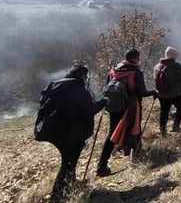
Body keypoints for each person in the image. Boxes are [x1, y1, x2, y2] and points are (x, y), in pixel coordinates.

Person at [50, 65, 107, 201]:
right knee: (68, 164)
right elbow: (89, 110)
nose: (86, 78)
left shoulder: (60, 87)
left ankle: (70, 186)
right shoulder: (78, 90)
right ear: (82, 76)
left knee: (69, 162)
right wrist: (103, 101)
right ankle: (57, 196)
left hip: (58, 132)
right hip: (71, 134)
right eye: (85, 76)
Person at [97, 49, 158, 177]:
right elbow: (141, 92)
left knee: (112, 134)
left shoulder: (113, 71)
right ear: (136, 59)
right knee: (135, 129)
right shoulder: (136, 73)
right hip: (131, 107)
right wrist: (153, 92)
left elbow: (108, 86)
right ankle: (136, 156)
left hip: (114, 106)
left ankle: (101, 166)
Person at [154, 47, 181, 137]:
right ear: (173, 56)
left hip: (162, 94)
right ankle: (176, 126)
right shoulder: (176, 66)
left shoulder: (157, 66)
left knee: (163, 112)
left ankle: (163, 132)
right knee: (180, 107)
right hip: (175, 94)